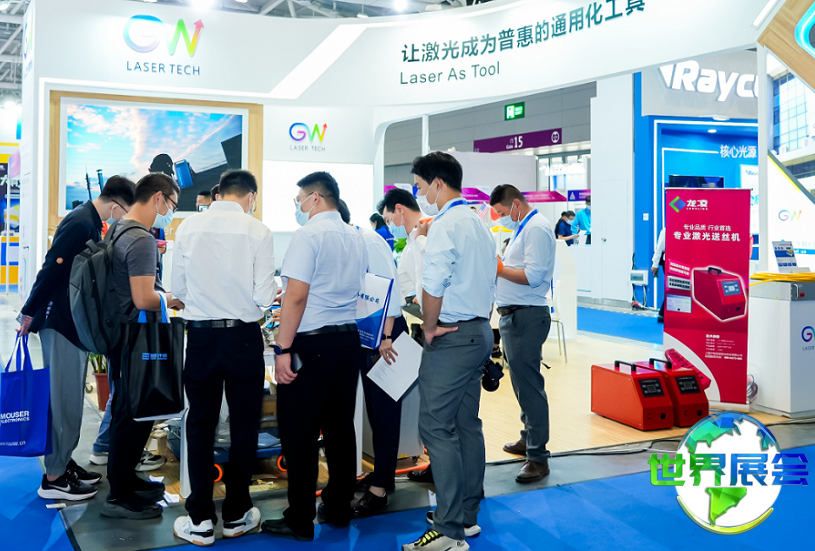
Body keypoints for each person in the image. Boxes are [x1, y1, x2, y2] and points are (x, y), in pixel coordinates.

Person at [171, 170, 276, 545]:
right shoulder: (258, 231)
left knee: (200, 424)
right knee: (245, 425)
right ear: (251, 196)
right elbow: (265, 297)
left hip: (200, 337)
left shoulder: (187, 227)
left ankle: (200, 520)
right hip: (243, 338)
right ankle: (236, 515)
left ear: (219, 195)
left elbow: (177, 289)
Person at [261, 172, 367, 542]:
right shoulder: (355, 236)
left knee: (300, 432)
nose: (298, 206)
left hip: (311, 343)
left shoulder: (308, 235)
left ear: (316, 197)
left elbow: (296, 296)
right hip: (348, 340)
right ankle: (338, 507)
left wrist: (283, 348)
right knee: (340, 429)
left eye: (299, 199)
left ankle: (300, 518)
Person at [19, 176, 135, 501]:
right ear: (116, 205)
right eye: (125, 211)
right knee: (63, 401)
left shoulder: (89, 221)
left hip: (73, 324)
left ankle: (63, 462)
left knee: (69, 400)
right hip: (61, 323)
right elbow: (51, 268)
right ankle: (54, 478)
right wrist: (28, 311)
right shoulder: (82, 222)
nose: (124, 217)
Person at [402, 152, 496, 551]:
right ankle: (465, 516)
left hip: (452, 336)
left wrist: (428, 326)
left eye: (420, 187)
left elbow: (434, 283)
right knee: (466, 425)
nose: (419, 195)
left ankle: (448, 530)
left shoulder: (445, 225)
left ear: (438, 184)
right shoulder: (478, 222)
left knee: (436, 428)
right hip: (479, 331)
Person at [102, 173, 184, 520]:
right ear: (159, 198)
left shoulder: (118, 229)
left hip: (120, 334)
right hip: (135, 337)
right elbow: (143, 297)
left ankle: (124, 480)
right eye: (173, 205)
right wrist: (172, 298)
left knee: (128, 410)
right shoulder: (141, 239)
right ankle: (120, 495)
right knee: (134, 413)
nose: (171, 213)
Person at [337, 200, 408, 518]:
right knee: (375, 411)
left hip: (385, 335)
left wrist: (387, 337)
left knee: (385, 412)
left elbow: (389, 290)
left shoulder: (368, 241)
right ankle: (383, 476)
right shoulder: (349, 243)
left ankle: (379, 491)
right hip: (370, 334)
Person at [490, 184, 556, 484]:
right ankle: (528, 438)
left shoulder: (536, 228)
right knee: (520, 383)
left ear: (516, 204)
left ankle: (538, 457)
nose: (501, 218)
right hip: (515, 315)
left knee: (529, 386)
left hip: (527, 315)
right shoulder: (524, 228)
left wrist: (499, 268)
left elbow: (534, 276)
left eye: (502, 212)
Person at [378, 188, 428, 318]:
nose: (390, 227)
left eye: (388, 221)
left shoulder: (433, 231)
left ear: (399, 210)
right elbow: (399, 286)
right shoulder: (409, 246)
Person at [652, 227, 666, 324]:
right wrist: (655, 265)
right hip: (668, 262)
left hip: (680, 261)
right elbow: (659, 248)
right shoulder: (666, 230)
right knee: (672, 288)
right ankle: (662, 314)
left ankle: (663, 314)